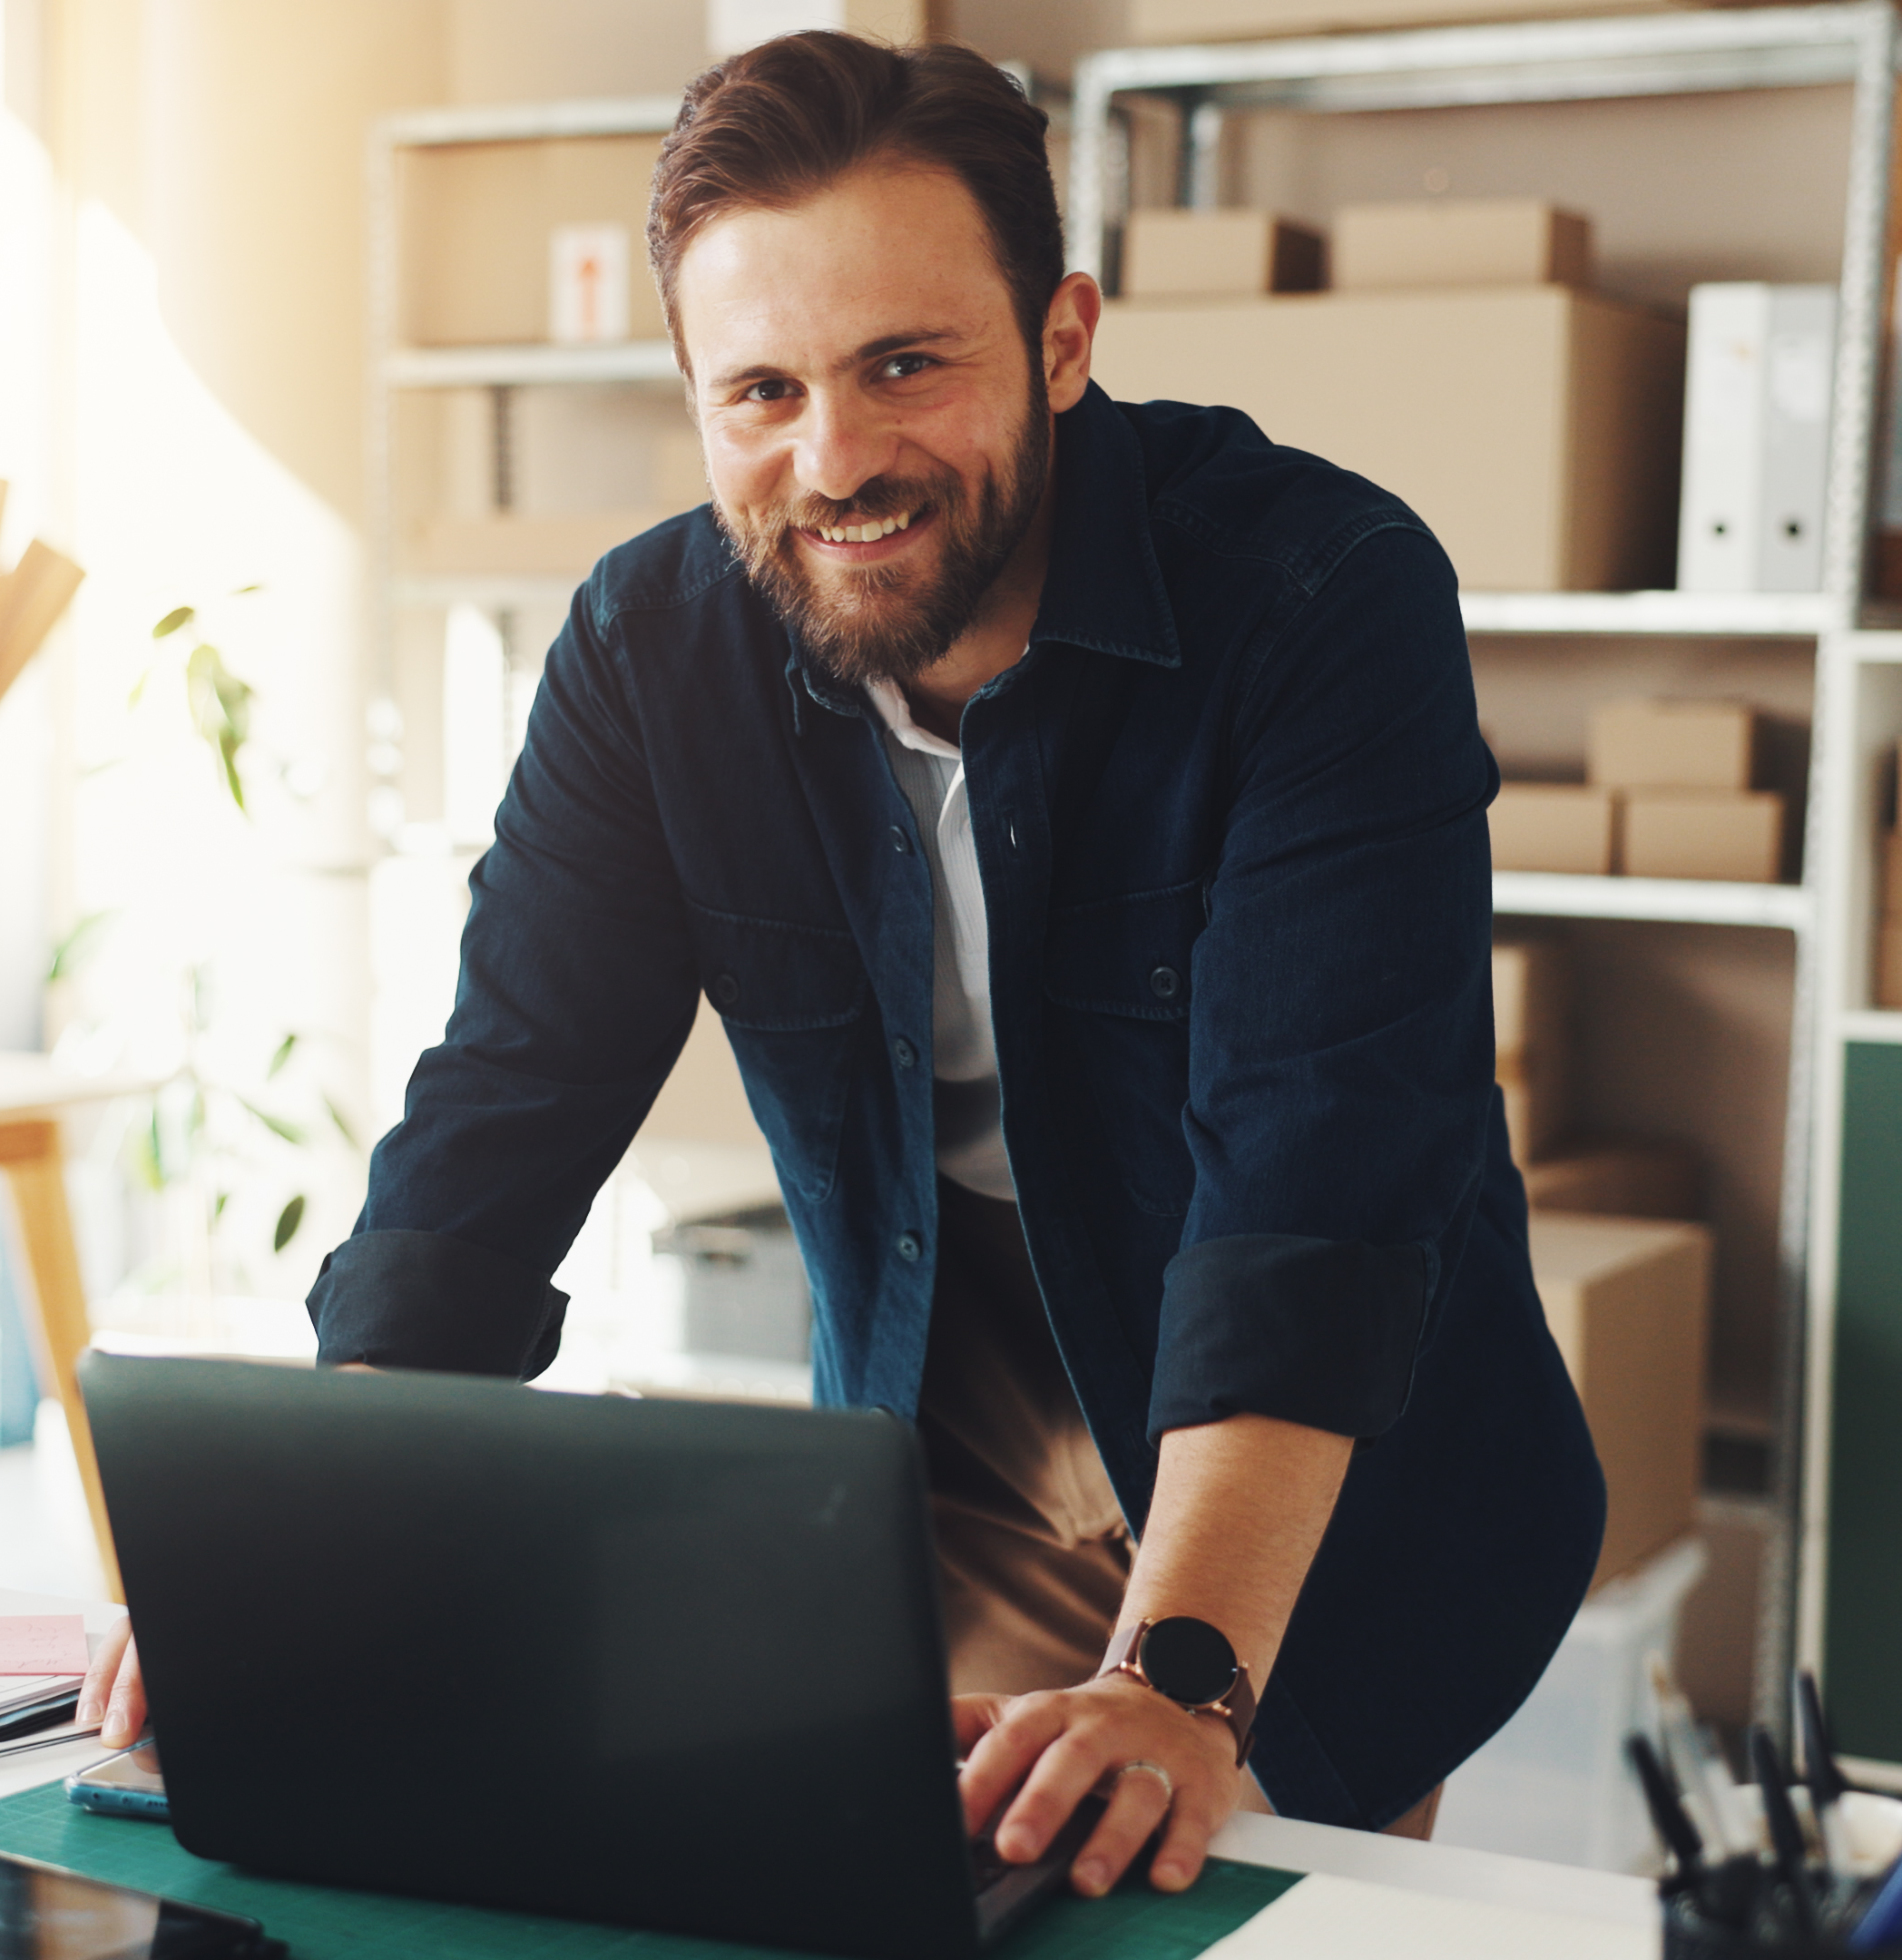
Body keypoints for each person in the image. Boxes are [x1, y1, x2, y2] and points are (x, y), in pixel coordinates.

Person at [91, 28, 1603, 1899]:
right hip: (939, 1391)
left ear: (1059, 339)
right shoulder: (649, 651)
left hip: (1310, 1445)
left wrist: (1177, 1676)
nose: (835, 459)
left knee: (1219, 1887)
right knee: (919, 1900)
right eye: (762, 391)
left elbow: (1311, 1182)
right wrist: (300, 1552)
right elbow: (504, 1104)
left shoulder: (1319, 601)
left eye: (904, 364)